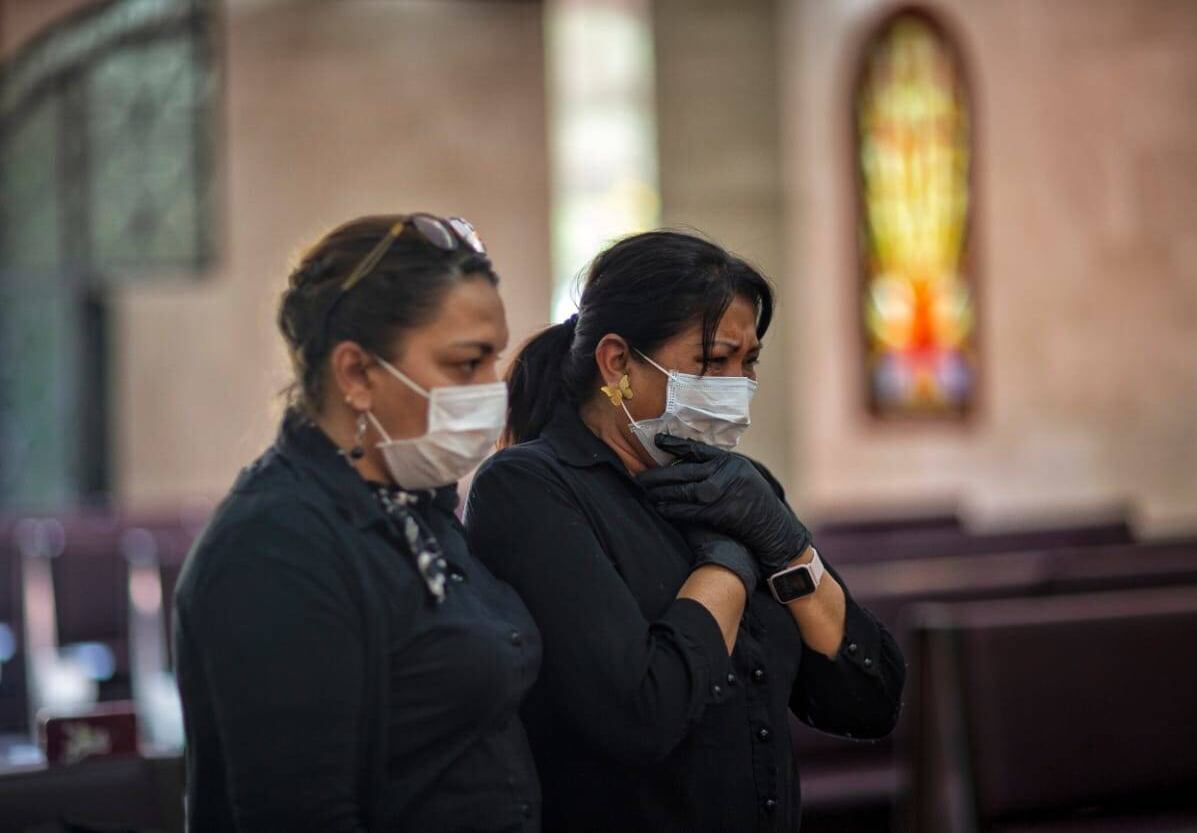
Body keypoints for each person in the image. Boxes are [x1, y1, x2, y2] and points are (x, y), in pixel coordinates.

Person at [464, 230, 906, 833]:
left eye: (747, 362)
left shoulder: (744, 488)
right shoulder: (529, 488)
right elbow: (641, 713)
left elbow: (867, 699)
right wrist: (729, 559)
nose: (735, 385)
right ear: (617, 361)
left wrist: (786, 544)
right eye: (711, 361)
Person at [174, 214, 542, 833]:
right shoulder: (274, 549)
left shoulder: (411, 501)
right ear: (357, 374)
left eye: (494, 360)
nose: (491, 390)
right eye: (466, 364)